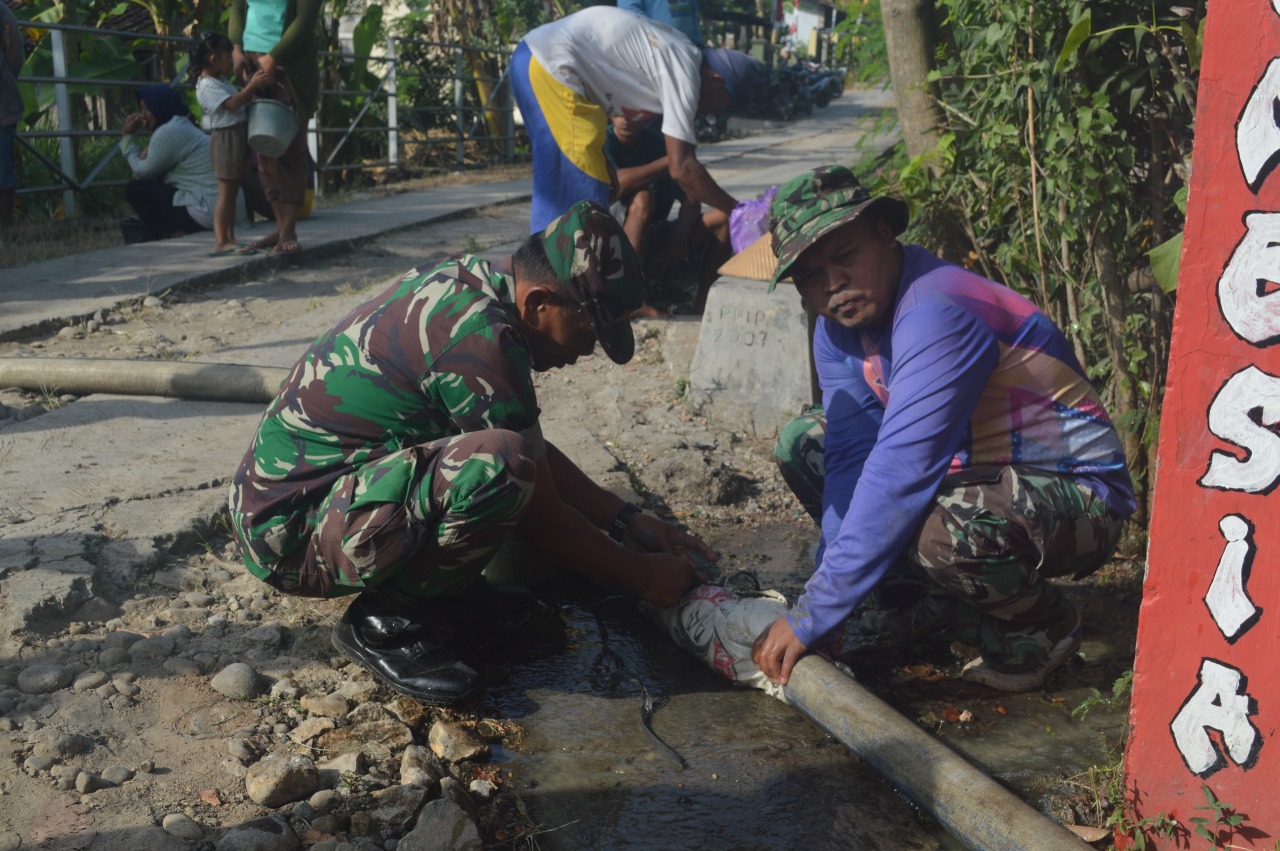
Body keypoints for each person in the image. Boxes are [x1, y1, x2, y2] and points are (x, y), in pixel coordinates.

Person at [227, 200, 717, 706]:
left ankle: (446, 594)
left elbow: (529, 445)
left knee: (505, 458)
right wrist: (643, 577)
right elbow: (536, 503)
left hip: (325, 499)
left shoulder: (478, 282)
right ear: (539, 304)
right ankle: (388, 623)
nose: (587, 351)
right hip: (292, 535)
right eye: (588, 330)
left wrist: (627, 519)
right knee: (497, 469)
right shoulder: (480, 337)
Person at [750, 166, 1136, 692]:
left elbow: (899, 473)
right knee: (806, 444)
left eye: (845, 257)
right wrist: (827, 599)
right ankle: (914, 601)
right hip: (976, 475)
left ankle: (1041, 629)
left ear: (885, 235)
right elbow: (851, 458)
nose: (832, 284)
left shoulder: (937, 310)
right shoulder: (838, 331)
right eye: (812, 275)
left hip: (1079, 496)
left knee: (944, 530)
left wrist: (813, 613)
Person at [509, 6, 762, 234]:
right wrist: (739, 209)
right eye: (723, 104)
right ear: (716, 80)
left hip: (533, 58)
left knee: (564, 193)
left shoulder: (676, 53)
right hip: (550, 65)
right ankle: (554, 277)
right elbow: (682, 167)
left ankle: (545, 271)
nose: (712, 112)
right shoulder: (684, 69)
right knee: (583, 209)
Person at [606, 115, 730, 312]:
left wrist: (681, 231)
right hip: (611, 248)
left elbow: (691, 195)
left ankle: (702, 308)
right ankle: (629, 302)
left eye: (631, 113)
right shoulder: (604, 142)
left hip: (653, 239)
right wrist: (673, 160)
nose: (625, 120)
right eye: (619, 114)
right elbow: (618, 185)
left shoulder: (656, 142)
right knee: (643, 197)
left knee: (722, 218)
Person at [229, 0, 321, 255]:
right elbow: (237, 9)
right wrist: (237, 49)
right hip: (253, 66)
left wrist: (274, 56)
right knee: (264, 152)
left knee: (291, 152)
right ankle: (280, 227)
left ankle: (289, 230)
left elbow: (304, 21)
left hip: (289, 69)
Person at [191, 30, 269, 256]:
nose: (230, 60)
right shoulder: (206, 86)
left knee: (233, 191)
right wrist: (251, 86)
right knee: (225, 193)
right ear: (213, 60)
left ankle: (229, 236)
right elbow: (233, 104)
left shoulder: (219, 81)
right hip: (225, 139)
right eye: (227, 56)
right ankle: (220, 240)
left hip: (236, 136)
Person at [120, 84, 223, 241]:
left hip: (207, 209)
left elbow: (143, 172)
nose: (142, 115)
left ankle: (172, 233)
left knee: (134, 190)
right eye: (141, 109)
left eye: (147, 108)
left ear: (160, 106)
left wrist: (127, 137)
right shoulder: (180, 124)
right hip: (219, 208)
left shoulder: (168, 131)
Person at [0, 0, 23, 242]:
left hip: (1, 103)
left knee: (2, 172)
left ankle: (2, 230)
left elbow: (15, 56)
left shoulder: (1, 12)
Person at [618, 0, 703, 46]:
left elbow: (694, 13)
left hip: (689, 48)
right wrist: (659, 38)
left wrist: (698, 43)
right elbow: (630, 12)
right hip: (656, 49)